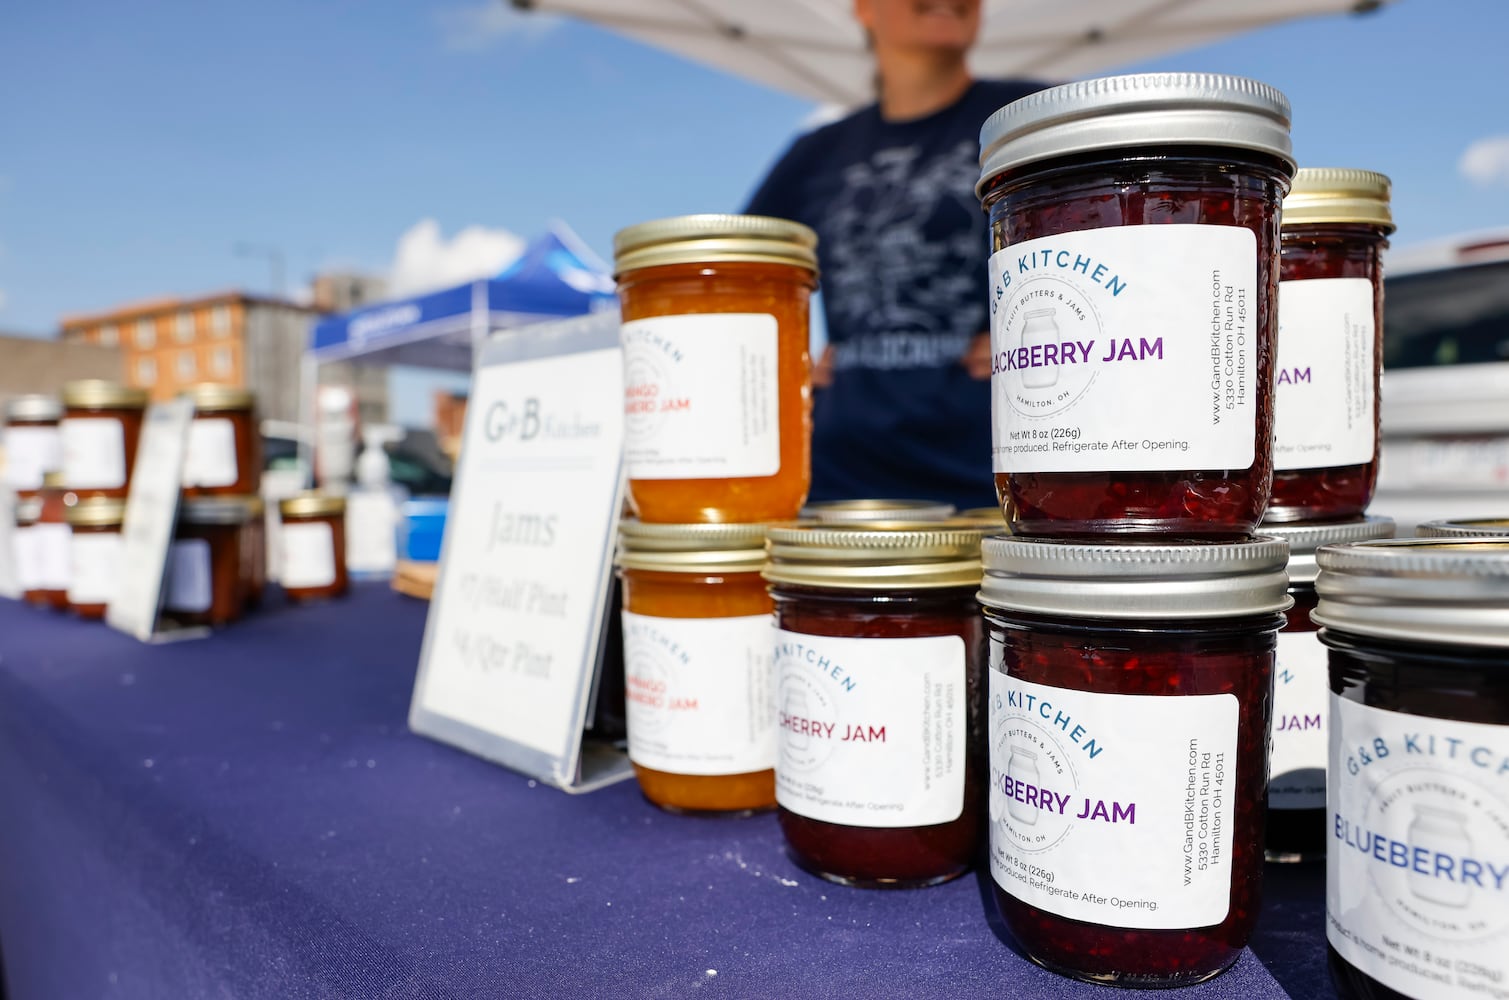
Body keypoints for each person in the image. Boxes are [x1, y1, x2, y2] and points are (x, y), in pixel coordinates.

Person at [745, 0, 1047, 508]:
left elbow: (1112, 235)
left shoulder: (1024, 117)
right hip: (840, 477)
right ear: (863, 9)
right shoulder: (817, 151)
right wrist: (781, 360)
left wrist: (1037, 326)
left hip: (995, 471)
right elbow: (740, 273)